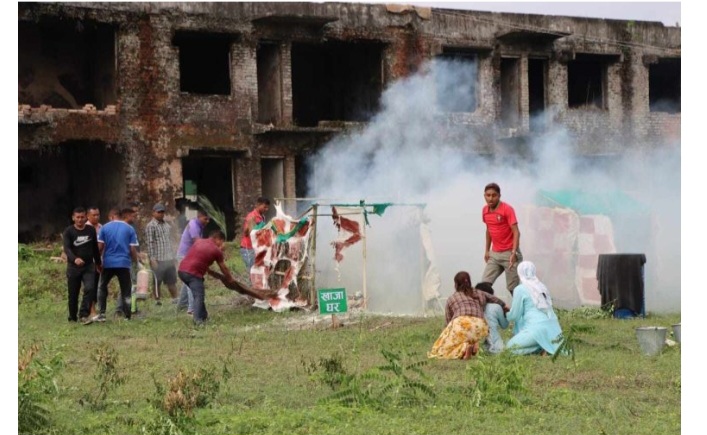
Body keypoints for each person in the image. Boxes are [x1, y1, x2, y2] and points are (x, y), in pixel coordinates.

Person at [428, 271, 509, 360]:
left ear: (456, 284)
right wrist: (504, 306)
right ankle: (473, 346)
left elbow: (448, 321)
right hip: (480, 326)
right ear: (469, 282)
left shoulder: (452, 298)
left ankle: (464, 348)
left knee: (442, 348)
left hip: (460, 323)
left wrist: (446, 333)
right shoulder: (480, 293)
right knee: (471, 334)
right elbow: (495, 299)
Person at [176, 230, 237, 325]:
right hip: (193, 273)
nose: (222, 244)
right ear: (217, 239)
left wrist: (210, 271)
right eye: (222, 241)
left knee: (198, 294)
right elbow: (223, 267)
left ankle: (204, 316)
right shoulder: (216, 250)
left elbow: (198, 257)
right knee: (199, 296)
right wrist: (230, 279)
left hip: (182, 271)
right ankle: (198, 321)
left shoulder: (199, 241)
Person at [506, 261, 564, 355]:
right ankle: (545, 345)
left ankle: (541, 348)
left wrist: (506, 313)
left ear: (519, 273)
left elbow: (515, 316)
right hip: (554, 329)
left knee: (510, 348)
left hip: (536, 329)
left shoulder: (520, 289)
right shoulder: (542, 287)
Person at [96, 206, 139, 321]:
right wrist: (136, 262)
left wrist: (98, 262)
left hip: (108, 263)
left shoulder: (104, 228)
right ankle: (127, 315)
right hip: (124, 264)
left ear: (111, 216)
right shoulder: (129, 229)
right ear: (120, 216)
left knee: (102, 287)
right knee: (126, 290)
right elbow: (132, 250)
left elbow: (100, 247)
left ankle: (102, 313)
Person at [481, 182, 523, 296]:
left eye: (494, 195)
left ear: (499, 196)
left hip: (510, 253)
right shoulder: (485, 211)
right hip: (494, 254)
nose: (490, 198)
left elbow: (516, 232)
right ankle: (485, 312)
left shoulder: (507, 209)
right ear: (484, 196)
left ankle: (522, 311)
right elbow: (489, 230)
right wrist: (487, 250)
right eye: (488, 195)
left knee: (513, 289)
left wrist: (514, 253)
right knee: (483, 286)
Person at [62, 207, 102, 324]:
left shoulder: (90, 230)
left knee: (90, 288)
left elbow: (95, 248)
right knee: (73, 293)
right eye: (77, 217)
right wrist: (75, 259)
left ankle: (84, 314)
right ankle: (72, 317)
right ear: (73, 218)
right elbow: (67, 249)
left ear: (86, 217)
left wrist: (98, 263)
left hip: (89, 266)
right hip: (73, 267)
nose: (80, 220)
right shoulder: (68, 231)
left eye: (82, 217)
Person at [176, 209, 210, 313]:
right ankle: (192, 308)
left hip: (188, 255)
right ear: (199, 216)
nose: (207, 221)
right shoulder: (194, 225)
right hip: (184, 256)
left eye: (208, 219)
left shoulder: (200, 225)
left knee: (187, 282)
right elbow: (197, 243)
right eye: (205, 219)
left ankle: (181, 305)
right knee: (192, 281)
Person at [145, 203, 178, 305]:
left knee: (171, 281)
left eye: (162, 212)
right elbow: (150, 243)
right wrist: (152, 259)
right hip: (158, 259)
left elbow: (170, 241)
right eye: (158, 212)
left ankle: (176, 299)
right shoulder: (151, 226)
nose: (161, 214)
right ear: (153, 212)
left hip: (168, 258)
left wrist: (173, 257)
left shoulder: (166, 225)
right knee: (157, 281)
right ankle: (157, 301)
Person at [475, 282, 509, 354]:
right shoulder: (496, 307)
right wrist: (506, 313)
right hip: (496, 344)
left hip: (478, 345)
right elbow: (504, 325)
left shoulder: (474, 308)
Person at [240, 197, 270, 276]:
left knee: (257, 270)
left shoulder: (262, 217)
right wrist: (249, 225)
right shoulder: (252, 216)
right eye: (265, 207)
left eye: (267, 208)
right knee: (252, 271)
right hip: (248, 248)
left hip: (256, 248)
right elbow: (246, 233)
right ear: (258, 205)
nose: (266, 209)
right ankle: (250, 287)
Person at [86, 205, 102, 316]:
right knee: (90, 286)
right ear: (88, 216)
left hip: (99, 261)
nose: (96, 217)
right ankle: (90, 309)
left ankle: (94, 307)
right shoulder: (85, 228)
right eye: (94, 215)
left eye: (98, 215)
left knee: (97, 285)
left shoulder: (102, 227)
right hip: (88, 262)